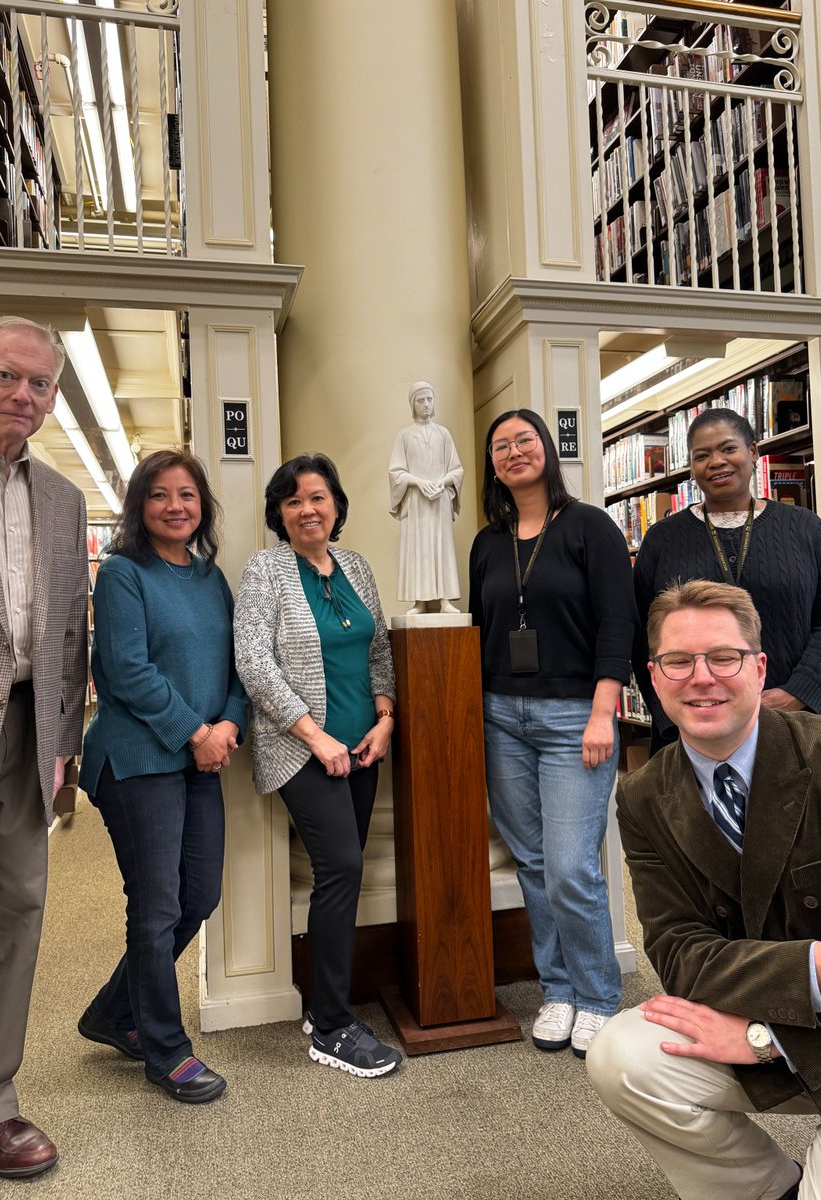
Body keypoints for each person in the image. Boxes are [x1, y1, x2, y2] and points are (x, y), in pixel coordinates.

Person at [588, 579, 821, 1200]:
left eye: (722, 657)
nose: (701, 677)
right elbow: (679, 951)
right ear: (653, 677)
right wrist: (820, 965)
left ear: (758, 668)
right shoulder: (643, 796)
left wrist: (770, 1034)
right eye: (678, 661)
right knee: (621, 1054)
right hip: (763, 1026)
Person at [0, 316, 88, 1200]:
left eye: (39, 385)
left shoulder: (65, 500)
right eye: (8, 377)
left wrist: (64, 746)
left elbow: (70, 631)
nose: (23, 396)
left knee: (12, 929)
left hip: (29, 741)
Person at [77, 450, 248, 1105]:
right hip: (138, 761)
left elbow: (236, 664)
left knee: (197, 896)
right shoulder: (122, 573)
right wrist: (197, 732)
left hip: (200, 757)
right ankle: (165, 1049)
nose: (175, 505)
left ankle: (113, 1013)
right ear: (138, 506)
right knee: (156, 908)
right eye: (159, 495)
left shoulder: (210, 577)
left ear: (202, 504)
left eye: (187, 494)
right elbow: (125, 671)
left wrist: (227, 725)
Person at [468, 408, 636, 1060]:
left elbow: (618, 623)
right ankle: (558, 990)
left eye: (524, 440)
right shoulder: (489, 541)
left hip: (575, 720)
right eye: (501, 445)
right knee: (534, 864)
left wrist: (603, 712)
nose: (514, 452)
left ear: (547, 450)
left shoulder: (590, 527)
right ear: (492, 463)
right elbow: (480, 630)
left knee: (571, 869)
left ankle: (598, 997)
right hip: (501, 718)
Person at [235, 454, 402, 1078]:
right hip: (302, 750)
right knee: (341, 868)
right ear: (280, 514)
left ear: (337, 505)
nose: (308, 509)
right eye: (294, 501)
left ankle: (321, 1006)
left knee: (344, 876)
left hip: (363, 747)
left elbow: (378, 646)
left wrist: (385, 720)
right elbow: (254, 663)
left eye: (319, 497)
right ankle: (330, 1026)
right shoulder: (266, 570)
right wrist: (315, 737)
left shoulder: (355, 565)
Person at [633, 407, 821, 752]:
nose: (716, 461)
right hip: (696, 729)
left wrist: (797, 694)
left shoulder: (805, 528)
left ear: (753, 452)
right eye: (702, 455)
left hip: (801, 726)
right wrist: (677, 716)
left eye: (728, 449)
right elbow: (643, 634)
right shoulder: (662, 540)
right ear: (692, 467)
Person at [388, 381, 463, 613]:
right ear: (413, 404)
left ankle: (445, 601)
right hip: (416, 501)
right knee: (418, 550)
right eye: (421, 400)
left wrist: (442, 482)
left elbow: (457, 469)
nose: (426, 404)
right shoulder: (405, 435)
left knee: (441, 547)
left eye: (429, 399)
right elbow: (396, 472)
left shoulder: (443, 434)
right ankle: (419, 602)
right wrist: (419, 483)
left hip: (439, 500)